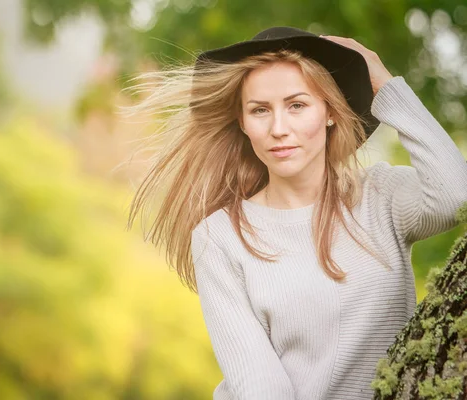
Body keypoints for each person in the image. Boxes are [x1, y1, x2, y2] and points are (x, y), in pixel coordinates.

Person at [125, 26, 467, 399]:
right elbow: (259, 386)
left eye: (297, 105)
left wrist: (384, 82)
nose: (278, 129)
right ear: (243, 122)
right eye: (260, 110)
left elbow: (456, 197)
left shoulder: (381, 196)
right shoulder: (219, 236)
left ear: (331, 113)